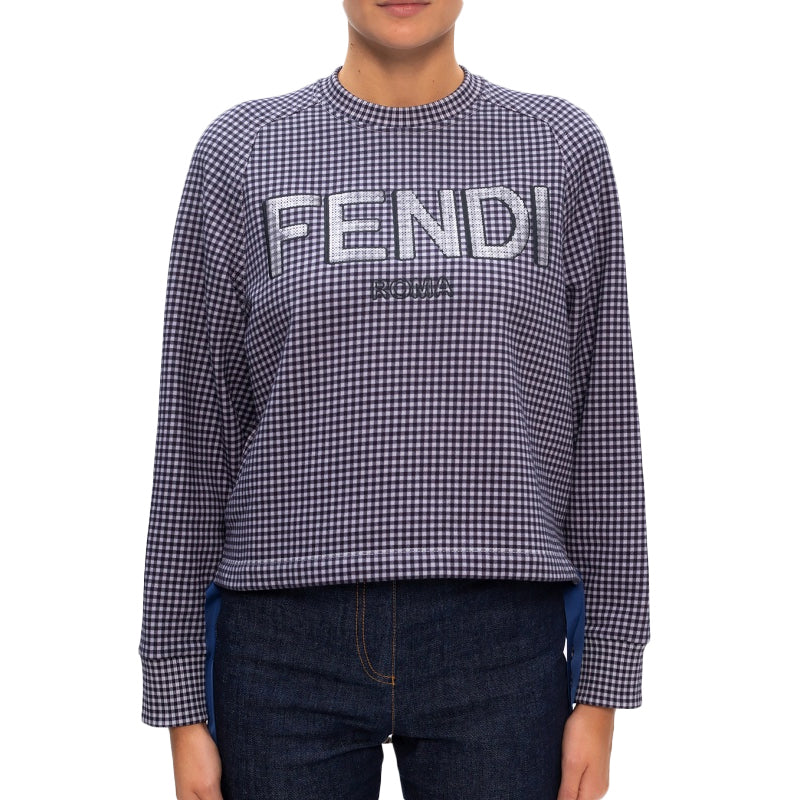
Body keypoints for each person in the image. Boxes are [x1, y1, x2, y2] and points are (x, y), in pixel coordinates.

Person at [138, 1, 651, 798]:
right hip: (279, 644)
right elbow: (195, 434)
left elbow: (605, 423)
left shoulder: (560, 147)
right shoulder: (241, 152)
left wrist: (605, 681)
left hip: (500, 638)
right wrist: (175, 689)